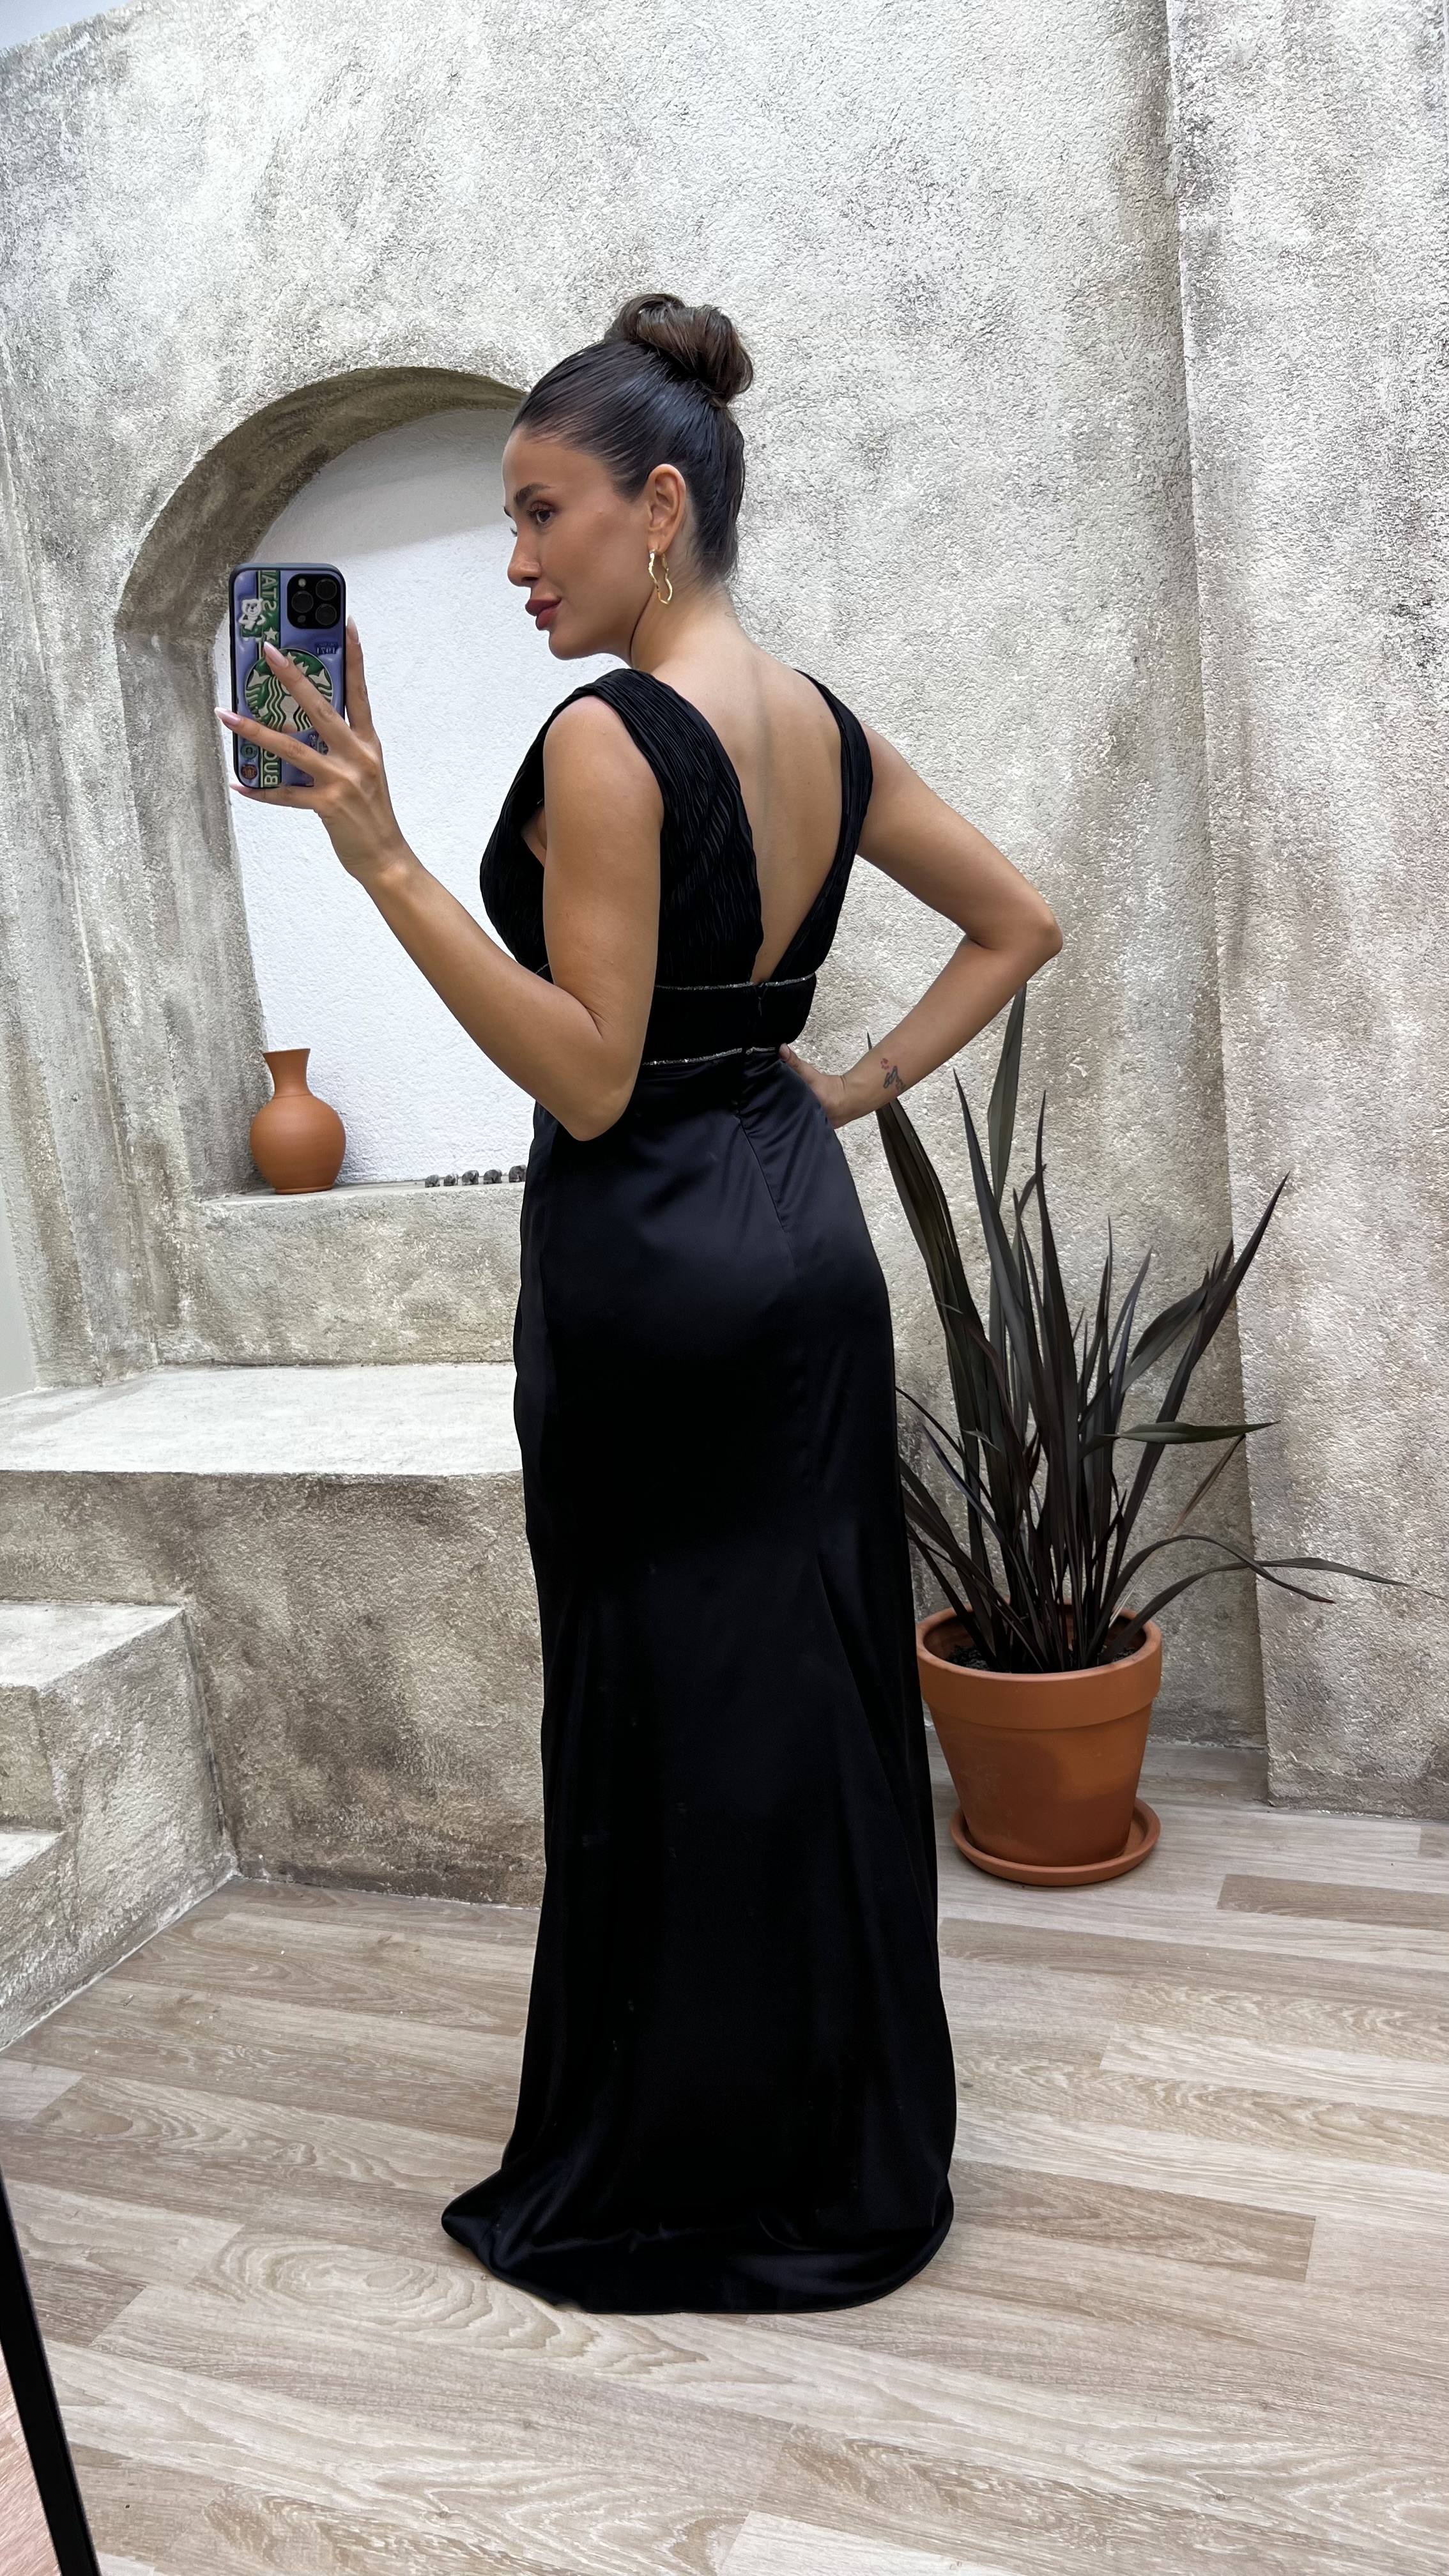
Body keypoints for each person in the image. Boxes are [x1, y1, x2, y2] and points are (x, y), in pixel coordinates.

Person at [217, 291, 1062, 2314]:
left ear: (657, 507)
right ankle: (842, 2138)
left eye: (541, 513)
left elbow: (589, 1079)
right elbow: (1015, 922)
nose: (515, 559)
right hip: (798, 1241)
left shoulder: (605, 740)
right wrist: (845, 1086)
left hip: (654, 1259)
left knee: (667, 1703)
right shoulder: (820, 724)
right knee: (805, 1698)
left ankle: (685, 2160)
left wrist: (383, 860)